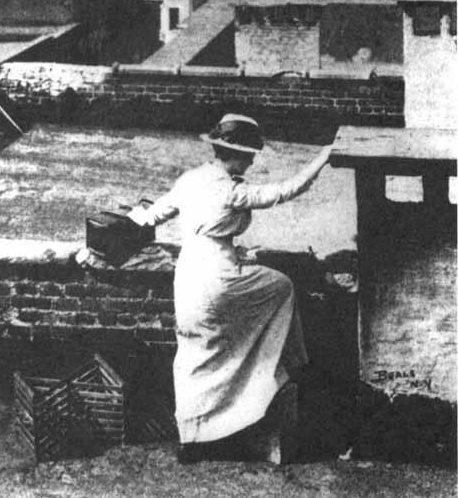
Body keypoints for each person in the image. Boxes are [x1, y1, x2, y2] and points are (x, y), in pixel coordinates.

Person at [127, 114, 333, 463]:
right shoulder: (232, 190)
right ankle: (284, 365)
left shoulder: (191, 179)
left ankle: (191, 437)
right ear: (233, 153)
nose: (252, 161)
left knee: (195, 349)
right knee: (281, 286)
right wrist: (322, 158)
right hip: (218, 278)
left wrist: (117, 227)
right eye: (249, 154)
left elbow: (152, 215)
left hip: (189, 275)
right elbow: (285, 191)